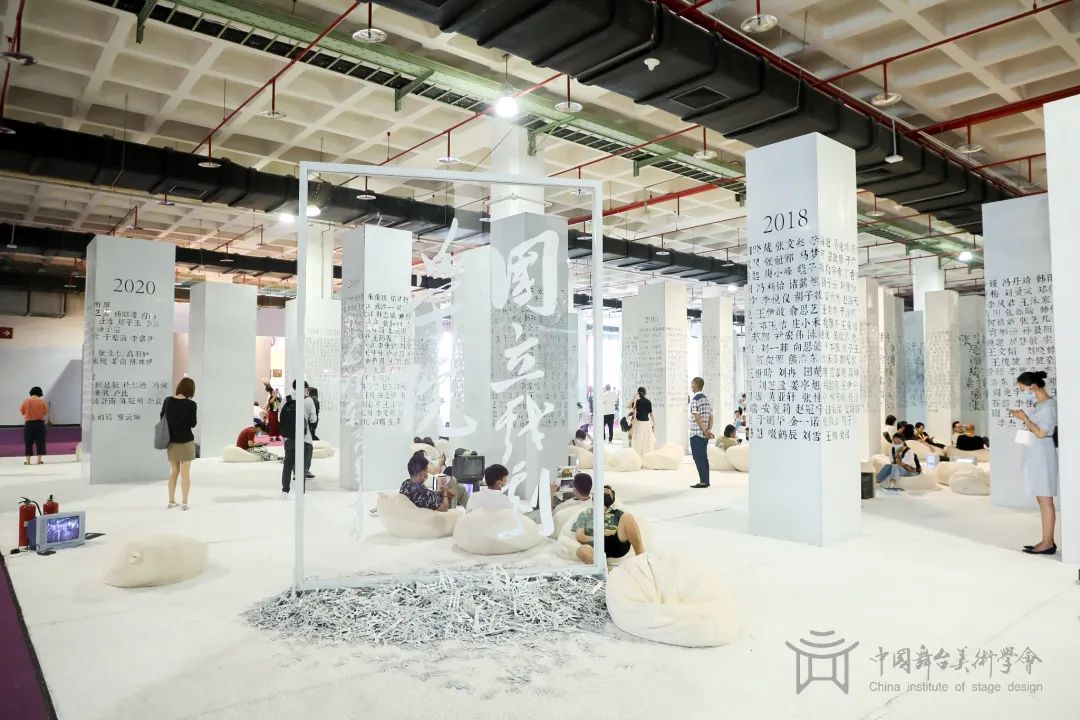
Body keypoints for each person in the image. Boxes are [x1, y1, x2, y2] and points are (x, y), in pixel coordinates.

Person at [1010, 371, 1058, 555]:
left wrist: (1025, 419)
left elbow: (1041, 433)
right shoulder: (1040, 404)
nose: (1023, 393)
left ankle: (1048, 543)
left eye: (1023, 389)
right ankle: (1046, 540)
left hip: (1043, 455)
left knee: (1045, 499)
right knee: (1041, 498)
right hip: (1037, 455)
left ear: (1033, 387)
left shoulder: (1048, 406)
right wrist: (1026, 420)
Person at [572, 485, 645, 564]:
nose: (604, 493)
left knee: (628, 517)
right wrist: (598, 537)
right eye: (601, 491)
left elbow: (627, 528)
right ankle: (604, 567)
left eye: (607, 492)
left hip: (616, 542)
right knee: (581, 550)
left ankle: (642, 559)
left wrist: (612, 531)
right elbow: (579, 536)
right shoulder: (585, 514)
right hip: (595, 545)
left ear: (612, 499)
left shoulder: (618, 513)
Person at [161, 378, 197, 510]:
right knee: (185, 474)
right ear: (190, 390)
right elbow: (193, 424)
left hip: (172, 442)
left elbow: (162, 418)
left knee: (174, 472)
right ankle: (185, 502)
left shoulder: (167, 401)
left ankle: (171, 501)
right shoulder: (191, 404)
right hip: (186, 442)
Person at [280, 381, 318, 497]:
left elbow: (279, 419)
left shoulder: (286, 399)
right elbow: (313, 419)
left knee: (287, 465)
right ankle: (300, 492)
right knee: (303, 466)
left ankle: (285, 490)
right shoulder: (308, 400)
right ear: (305, 388)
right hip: (305, 439)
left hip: (289, 438)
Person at [400, 450, 468, 511]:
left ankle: (471, 513)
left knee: (460, 488)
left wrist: (438, 492)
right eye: (426, 470)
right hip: (443, 509)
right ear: (421, 473)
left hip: (434, 501)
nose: (427, 474)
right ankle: (459, 513)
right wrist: (444, 493)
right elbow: (444, 508)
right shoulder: (423, 493)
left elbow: (427, 497)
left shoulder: (405, 484)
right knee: (454, 481)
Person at [688, 377, 714, 489]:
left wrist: (704, 431)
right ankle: (706, 480)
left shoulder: (695, 400)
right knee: (704, 457)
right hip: (704, 434)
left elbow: (697, 418)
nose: (691, 387)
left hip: (696, 433)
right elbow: (711, 417)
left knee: (698, 457)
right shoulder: (706, 400)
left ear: (694, 386)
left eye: (691, 384)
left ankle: (703, 481)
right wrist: (708, 430)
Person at [19, 386, 48, 466]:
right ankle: (39, 460)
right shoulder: (42, 401)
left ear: (31, 392)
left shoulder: (26, 401)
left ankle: (28, 461)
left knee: (28, 442)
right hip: (40, 424)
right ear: (40, 393)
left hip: (29, 424)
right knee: (40, 442)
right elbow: (45, 412)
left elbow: (22, 412)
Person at [630, 387, 655, 456]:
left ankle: (638, 455)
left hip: (639, 423)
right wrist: (654, 423)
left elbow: (632, 409)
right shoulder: (648, 401)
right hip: (647, 424)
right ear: (645, 393)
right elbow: (651, 414)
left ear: (638, 393)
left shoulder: (637, 402)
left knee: (638, 440)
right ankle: (646, 455)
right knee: (646, 441)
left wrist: (634, 398)